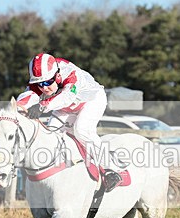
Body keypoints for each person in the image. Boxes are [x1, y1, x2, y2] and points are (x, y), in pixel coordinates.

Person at [16, 52, 123, 191]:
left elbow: (67, 96)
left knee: (81, 130)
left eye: (47, 83)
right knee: (51, 134)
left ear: (57, 76)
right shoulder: (44, 79)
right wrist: (15, 110)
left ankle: (113, 169)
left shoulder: (70, 73)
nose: (44, 88)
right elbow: (27, 96)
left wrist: (42, 106)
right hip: (66, 107)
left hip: (91, 100)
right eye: (39, 84)